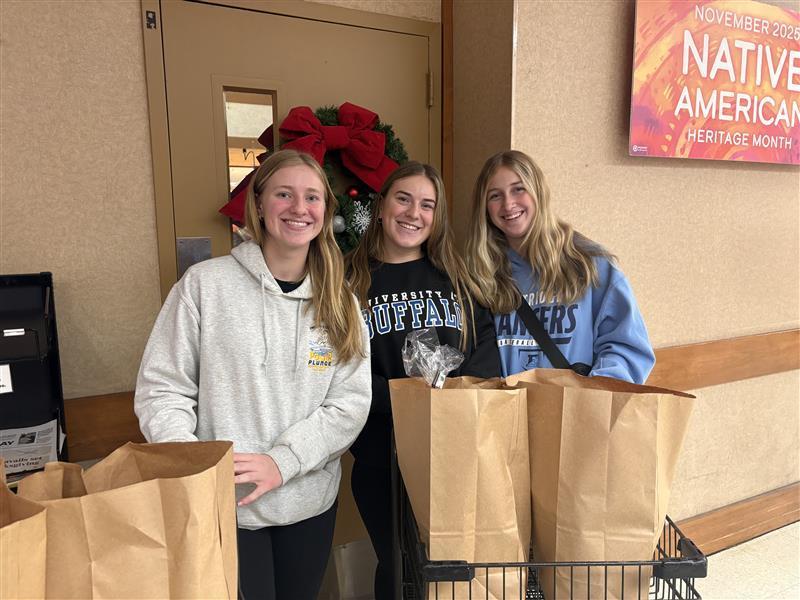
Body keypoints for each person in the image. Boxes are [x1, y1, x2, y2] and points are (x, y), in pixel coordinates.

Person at [134, 149, 371, 600]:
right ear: (259, 204)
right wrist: (197, 466)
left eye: (312, 197)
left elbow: (349, 404)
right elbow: (163, 390)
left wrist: (282, 463)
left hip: (309, 503)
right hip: (226, 506)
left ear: (325, 211)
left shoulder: (341, 302)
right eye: (284, 194)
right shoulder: (205, 286)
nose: (299, 208)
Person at [346, 161, 501, 599]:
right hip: (383, 458)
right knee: (398, 570)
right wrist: (408, 399)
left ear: (437, 217)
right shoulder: (348, 279)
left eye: (427, 205)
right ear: (381, 207)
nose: (414, 212)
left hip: (453, 451)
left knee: (451, 570)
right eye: (403, 198)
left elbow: (484, 348)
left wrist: (451, 398)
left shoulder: (457, 276)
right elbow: (338, 371)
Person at [465, 149, 655, 383]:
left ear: (538, 193)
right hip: (507, 413)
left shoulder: (587, 263)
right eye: (495, 195)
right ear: (484, 208)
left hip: (575, 412)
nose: (508, 204)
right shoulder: (481, 274)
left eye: (518, 189)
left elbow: (628, 349)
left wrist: (591, 394)